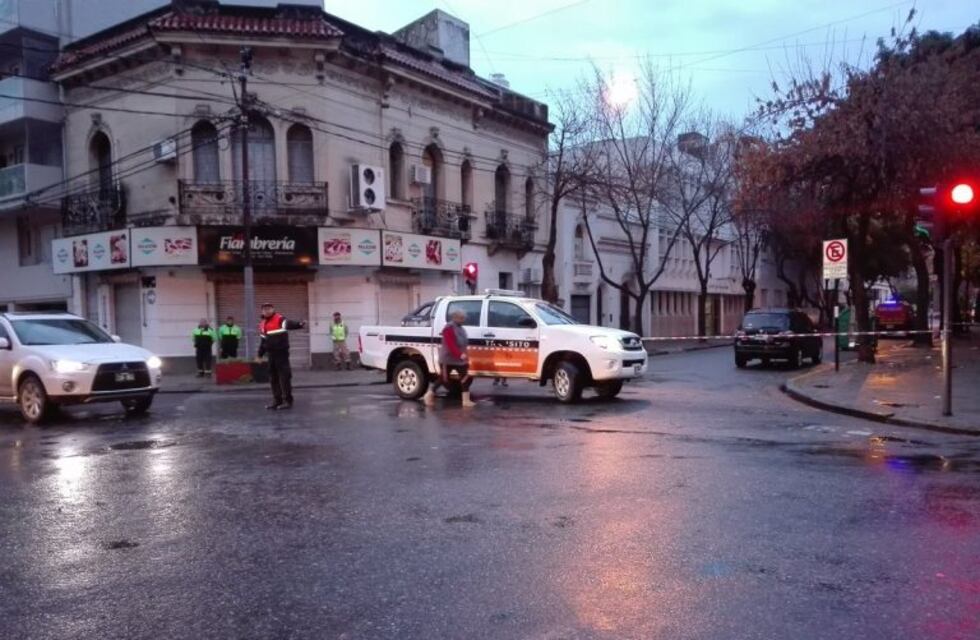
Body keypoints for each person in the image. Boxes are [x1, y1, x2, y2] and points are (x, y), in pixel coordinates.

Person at [258, 302, 305, 410]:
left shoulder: (279, 319)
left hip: (281, 354)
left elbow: (288, 324)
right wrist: (259, 356)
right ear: (262, 311)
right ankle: (277, 401)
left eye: (269, 308)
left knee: (284, 377)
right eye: (265, 309)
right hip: (271, 355)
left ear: (273, 309)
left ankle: (288, 401)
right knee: (273, 379)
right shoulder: (262, 324)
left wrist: (299, 324)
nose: (267, 311)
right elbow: (263, 342)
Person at [424, 309, 475, 408]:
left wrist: (465, 355)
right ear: (455, 318)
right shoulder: (449, 329)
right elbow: (451, 345)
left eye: (464, 318)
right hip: (447, 359)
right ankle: (429, 394)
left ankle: (466, 400)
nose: (463, 320)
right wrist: (460, 355)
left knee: (465, 377)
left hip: (460, 359)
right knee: (443, 379)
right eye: (461, 318)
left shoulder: (461, 329)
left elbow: (463, 344)